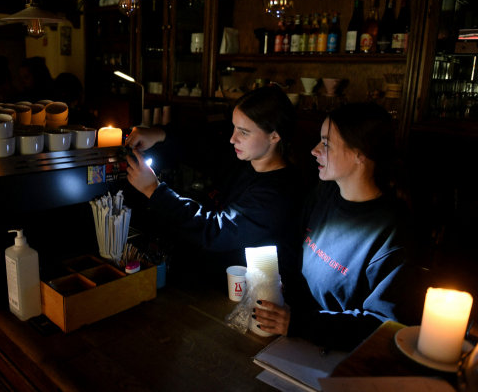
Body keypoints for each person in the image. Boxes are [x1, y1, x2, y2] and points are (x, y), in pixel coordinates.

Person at [252, 102, 422, 350]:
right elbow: (293, 245)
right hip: (292, 338)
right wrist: (278, 284)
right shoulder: (325, 192)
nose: (314, 150)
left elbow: (384, 326)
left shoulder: (393, 233)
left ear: (360, 154)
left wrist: (299, 324)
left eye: (326, 144)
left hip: (337, 355)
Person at [125, 86, 305, 283]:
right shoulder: (243, 157)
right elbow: (200, 147)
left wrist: (154, 190)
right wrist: (159, 134)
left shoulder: (280, 193)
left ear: (274, 136)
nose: (233, 139)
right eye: (234, 127)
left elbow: (215, 231)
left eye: (244, 132)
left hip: (240, 290)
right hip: (207, 275)